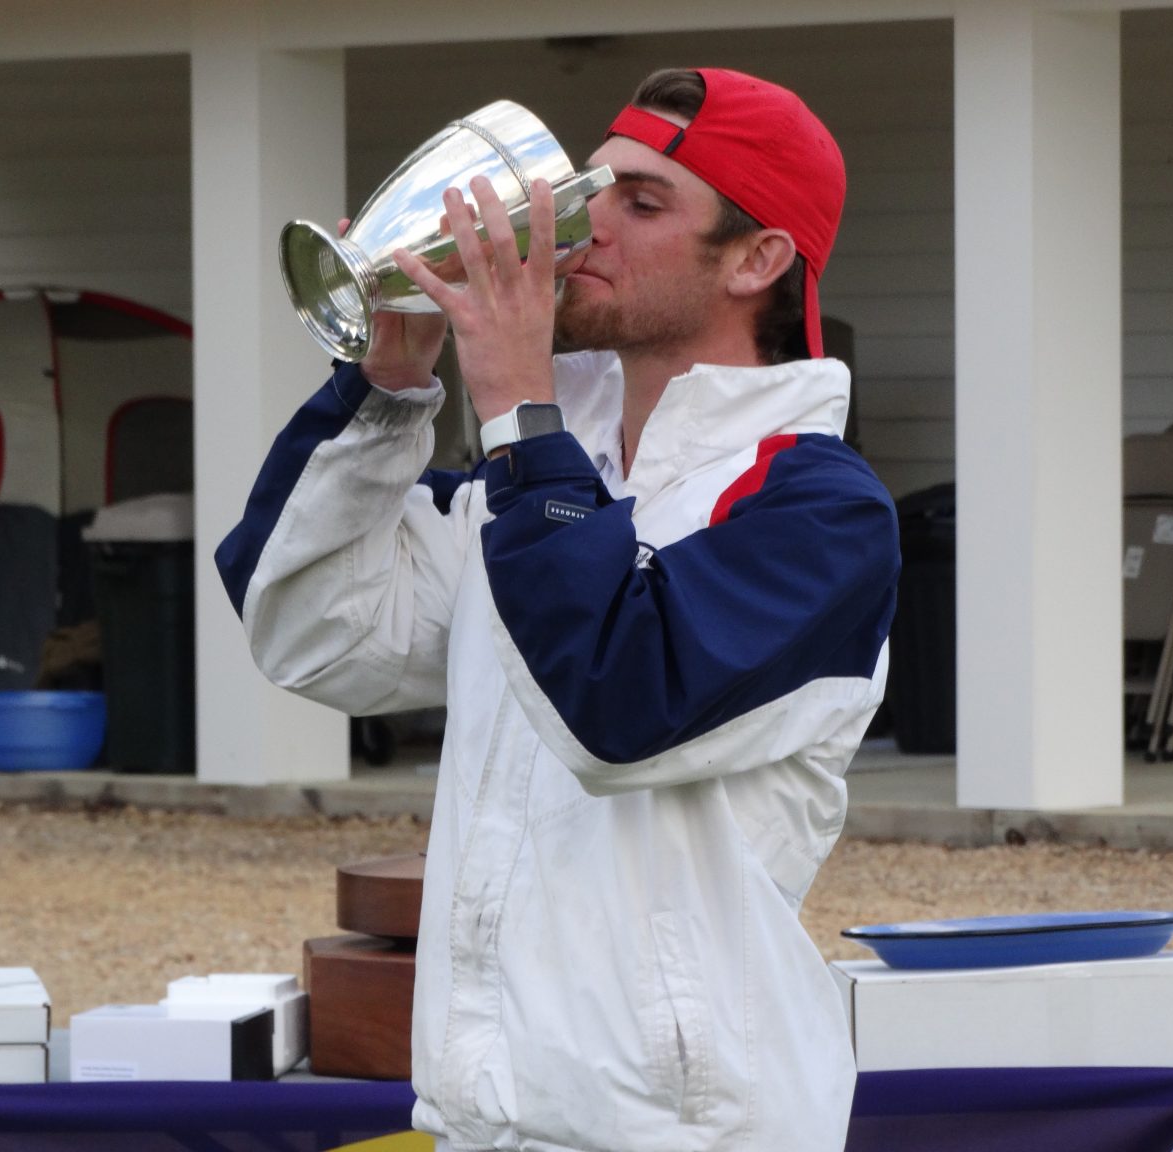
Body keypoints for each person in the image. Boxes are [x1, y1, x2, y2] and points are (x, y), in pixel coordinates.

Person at [217, 67, 898, 1152]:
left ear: (757, 260)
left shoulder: (823, 508)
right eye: (591, 188)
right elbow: (311, 629)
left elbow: (618, 711)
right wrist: (386, 388)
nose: (580, 227)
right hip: (480, 1124)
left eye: (643, 203)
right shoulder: (536, 472)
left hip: (692, 1136)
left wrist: (519, 409)